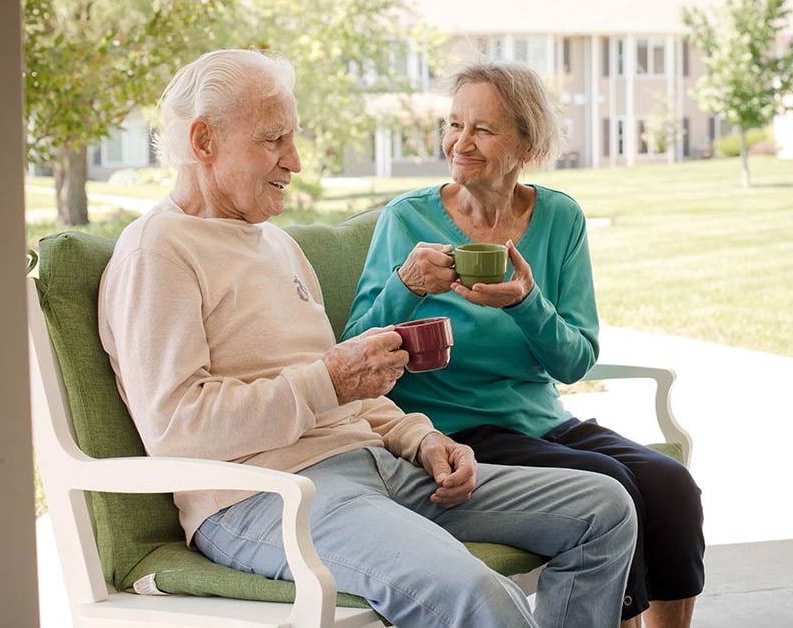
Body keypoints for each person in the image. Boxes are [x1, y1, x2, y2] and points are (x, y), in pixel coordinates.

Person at [97, 49, 636, 628]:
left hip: (378, 466)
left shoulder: (275, 244)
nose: (295, 161)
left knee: (605, 509)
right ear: (204, 142)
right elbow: (179, 430)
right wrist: (327, 379)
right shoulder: (158, 252)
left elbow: (342, 385)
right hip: (266, 497)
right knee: (479, 596)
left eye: (293, 138)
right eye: (274, 139)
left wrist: (421, 438)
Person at [343, 61, 705, 628]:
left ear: (526, 142)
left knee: (672, 485)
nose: (460, 142)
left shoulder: (559, 218)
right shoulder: (407, 219)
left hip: (540, 421)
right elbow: (352, 350)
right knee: (613, 486)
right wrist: (406, 287)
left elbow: (575, 361)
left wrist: (525, 302)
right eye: (453, 124)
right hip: (450, 429)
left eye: (483, 130)